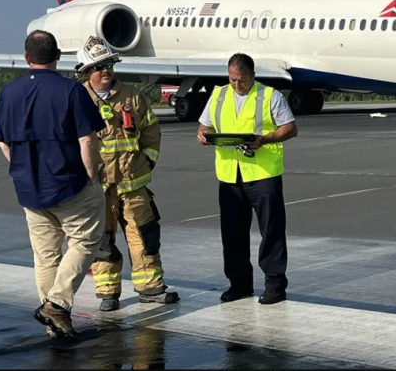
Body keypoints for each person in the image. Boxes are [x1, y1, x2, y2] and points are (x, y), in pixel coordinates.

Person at [0, 30, 108, 340]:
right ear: (58, 55)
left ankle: (54, 324)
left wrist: (22, 167)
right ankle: (57, 304)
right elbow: (87, 139)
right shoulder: (71, 91)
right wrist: (93, 175)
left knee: (46, 256)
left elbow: (3, 141)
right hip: (69, 184)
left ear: (27, 58)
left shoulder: (9, 92)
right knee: (85, 241)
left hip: (29, 187)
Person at [74, 36, 180, 311]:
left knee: (145, 237)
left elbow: (151, 131)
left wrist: (146, 161)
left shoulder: (132, 96)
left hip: (134, 186)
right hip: (98, 188)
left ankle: (151, 288)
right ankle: (108, 293)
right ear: (86, 71)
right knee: (102, 241)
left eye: (109, 64)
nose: (105, 70)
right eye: (98, 66)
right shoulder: (76, 99)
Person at [196, 53, 298, 304]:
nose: (236, 85)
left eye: (241, 80)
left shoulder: (269, 95)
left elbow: (290, 128)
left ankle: (275, 283)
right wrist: (204, 135)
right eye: (232, 79)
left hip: (263, 174)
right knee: (232, 233)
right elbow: (205, 125)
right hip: (230, 174)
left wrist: (266, 139)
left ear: (253, 75)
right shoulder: (219, 95)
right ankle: (239, 284)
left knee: (271, 230)